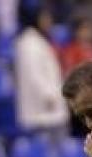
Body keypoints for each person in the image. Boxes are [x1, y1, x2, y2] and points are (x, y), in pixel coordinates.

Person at [14, 6, 68, 140]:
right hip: (42, 111)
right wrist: (49, 96)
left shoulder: (40, 40)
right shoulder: (29, 43)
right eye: (45, 18)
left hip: (50, 111)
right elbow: (34, 75)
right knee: (44, 153)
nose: (49, 21)